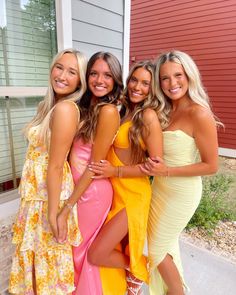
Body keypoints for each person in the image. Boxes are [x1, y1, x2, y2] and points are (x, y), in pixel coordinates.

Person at [140, 50, 220, 295]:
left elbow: (211, 165)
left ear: (189, 75)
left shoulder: (199, 113)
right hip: (160, 189)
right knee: (165, 246)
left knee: (155, 249)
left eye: (178, 75)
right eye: (165, 78)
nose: (172, 83)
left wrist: (166, 171)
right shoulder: (163, 110)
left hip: (182, 193)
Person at [8, 48, 87, 294]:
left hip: (47, 198)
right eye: (59, 67)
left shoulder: (65, 109)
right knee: (36, 263)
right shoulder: (51, 105)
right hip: (36, 195)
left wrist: (54, 214)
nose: (62, 75)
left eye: (72, 72)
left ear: (79, 81)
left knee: (46, 267)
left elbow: (55, 164)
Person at [87, 60, 163, 295]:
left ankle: (137, 270)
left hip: (134, 197)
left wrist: (115, 171)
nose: (137, 87)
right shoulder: (123, 110)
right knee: (115, 247)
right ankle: (133, 273)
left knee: (97, 253)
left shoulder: (148, 115)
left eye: (145, 83)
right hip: (115, 193)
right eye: (133, 80)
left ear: (153, 89)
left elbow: (155, 167)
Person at [55, 51, 123, 295]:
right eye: (94, 73)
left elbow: (95, 166)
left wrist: (67, 206)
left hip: (91, 192)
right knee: (72, 251)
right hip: (75, 188)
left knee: (78, 251)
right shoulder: (86, 106)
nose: (99, 80)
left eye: (107, 75)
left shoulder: (108, 111)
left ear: (115, 80)